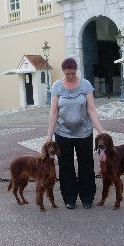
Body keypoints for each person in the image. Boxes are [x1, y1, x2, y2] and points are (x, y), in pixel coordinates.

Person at [46, 58, 104, 210]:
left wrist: (101, 131)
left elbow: (91, 109)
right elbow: (53, 112)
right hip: (62, 133)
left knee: (86, 165)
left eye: (72, 73)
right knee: (66, 166)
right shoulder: (57, 87)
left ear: (76, 71)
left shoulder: (85, 85)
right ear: (63, 72)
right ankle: (69, 198)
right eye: (67, 74)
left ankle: (87, 197)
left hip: (84, 133)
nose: (70, 76)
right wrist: (49, 136)